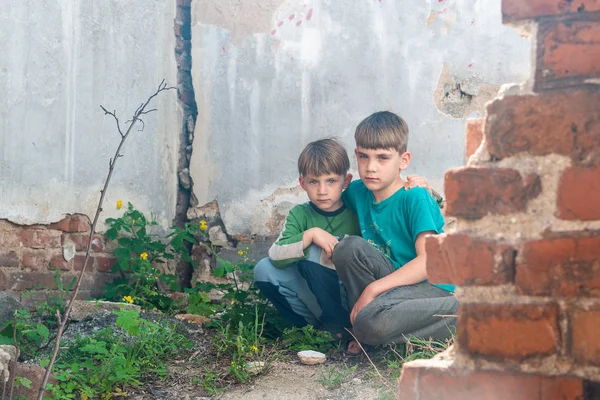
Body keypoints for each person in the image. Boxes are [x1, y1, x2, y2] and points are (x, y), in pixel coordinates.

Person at [332, 111, 458, 346]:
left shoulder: (415, 197)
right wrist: (311, 234)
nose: (371, 167)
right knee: (347, 248)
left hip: (431, 287)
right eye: (363, 156)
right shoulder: (357, 192)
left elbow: (428, 262)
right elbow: (325, 201)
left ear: (404, 161)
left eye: (382, 158)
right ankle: (367, 326)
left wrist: (373, 289)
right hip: (394, 284)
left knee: (371, 324)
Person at [253, 138, 359, 338]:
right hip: (315, 299)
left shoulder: (356, 210)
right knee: (264, 269)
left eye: (331, 181)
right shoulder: (300, 214)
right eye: (313, 182)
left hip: (350, 297)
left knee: (321, 251)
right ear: (302, 183)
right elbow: (275, 254)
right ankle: (313, 331)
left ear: (346, 181)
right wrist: (311, 234)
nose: (322, 191)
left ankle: (343, 326)